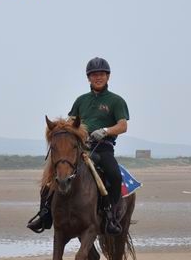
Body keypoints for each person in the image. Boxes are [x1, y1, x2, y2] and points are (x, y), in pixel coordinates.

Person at [27, 57, 130, 235]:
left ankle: (110, 216)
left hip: (103, 147)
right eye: (94, 75)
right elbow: (71, 122)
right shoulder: (81, 100)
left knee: (114, 174)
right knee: (50, 177)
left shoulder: (116, 101)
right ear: (88, 78)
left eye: (102, 74)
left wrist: (105, 130)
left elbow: (123, 126)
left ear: (108, 77)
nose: (98, 77)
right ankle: (45, 214)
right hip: (80, 147)